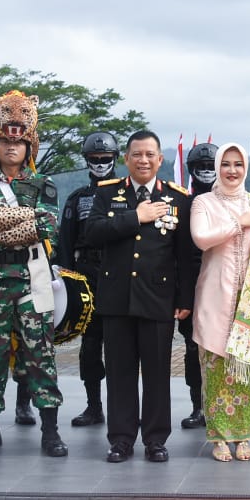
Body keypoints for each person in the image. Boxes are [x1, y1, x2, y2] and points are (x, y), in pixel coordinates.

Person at [0, 90, 68, 457]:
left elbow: (48, 226)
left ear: (28, 148)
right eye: (5, 141)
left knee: (40, 356)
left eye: (18, 143)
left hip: (32, 279)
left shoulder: (43, 185)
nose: (11, 148)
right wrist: (25, 220)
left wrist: (11, 222)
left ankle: (50, 431)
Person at [85, 130, 198, 463]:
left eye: (150, 154)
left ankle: (155, 439)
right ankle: (121, 439)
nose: (144, 160)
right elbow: (92, 233)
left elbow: (185, 256)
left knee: (157, 372)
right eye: (137, 154)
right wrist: (137, 217)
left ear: (160, 159)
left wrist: (185, 299)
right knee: (119, 373)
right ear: (127, 159)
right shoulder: (108, 195)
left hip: (158, 298)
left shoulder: (178, 198)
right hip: (117, 298)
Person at [190, 143, 250, 462]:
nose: (232, 170)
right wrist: (239, 223)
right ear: (217, 167)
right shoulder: (203, 203)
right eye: (226, 164)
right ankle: (219, 437)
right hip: (214, 299)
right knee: (216, 368)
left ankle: (243, 436)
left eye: (238, 164)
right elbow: (201, 238)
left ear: (245, 168)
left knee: (248, 368)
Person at [56, 131, 120, 428]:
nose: (100, 164)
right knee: (91, 347)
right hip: (87, 279)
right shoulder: (77, 198)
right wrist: (67, 286)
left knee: (122, 347)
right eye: (94, 159)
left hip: (120, 277)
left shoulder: (128, 194)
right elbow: (65, 246)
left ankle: (124, 407)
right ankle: (94, 406)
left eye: (105, 159)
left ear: (115, 159)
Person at [176, 141, 218, 429]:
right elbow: (174, 253)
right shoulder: (181, 204)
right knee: (193, 350)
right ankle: (198, 406)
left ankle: (221, 406)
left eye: (209, 166)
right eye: (200, 167)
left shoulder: (234, 202)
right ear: (191, 170)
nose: (205, 172)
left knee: (224, 350)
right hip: (190, 286)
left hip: (223, 284)